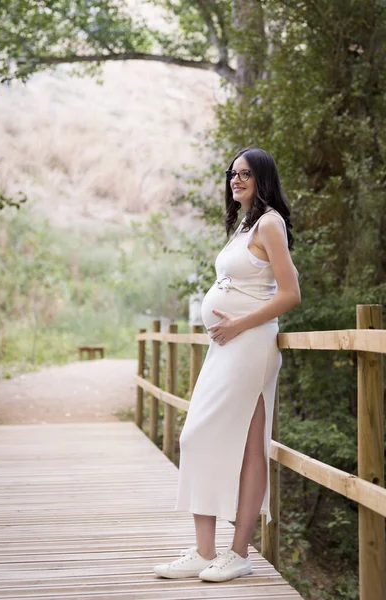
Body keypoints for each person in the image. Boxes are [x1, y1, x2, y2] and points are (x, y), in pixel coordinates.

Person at [154, 147, 301, 583]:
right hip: (228, 347)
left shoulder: (271, 223)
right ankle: (204, 552)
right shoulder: (245, 224)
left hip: (250, 345)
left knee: (247, 444)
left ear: (263, 179)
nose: (236, 180)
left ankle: (237, 553)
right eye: (232, 173)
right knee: (198, 436)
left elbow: (290, 294)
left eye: (246, 174)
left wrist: (238, 324)